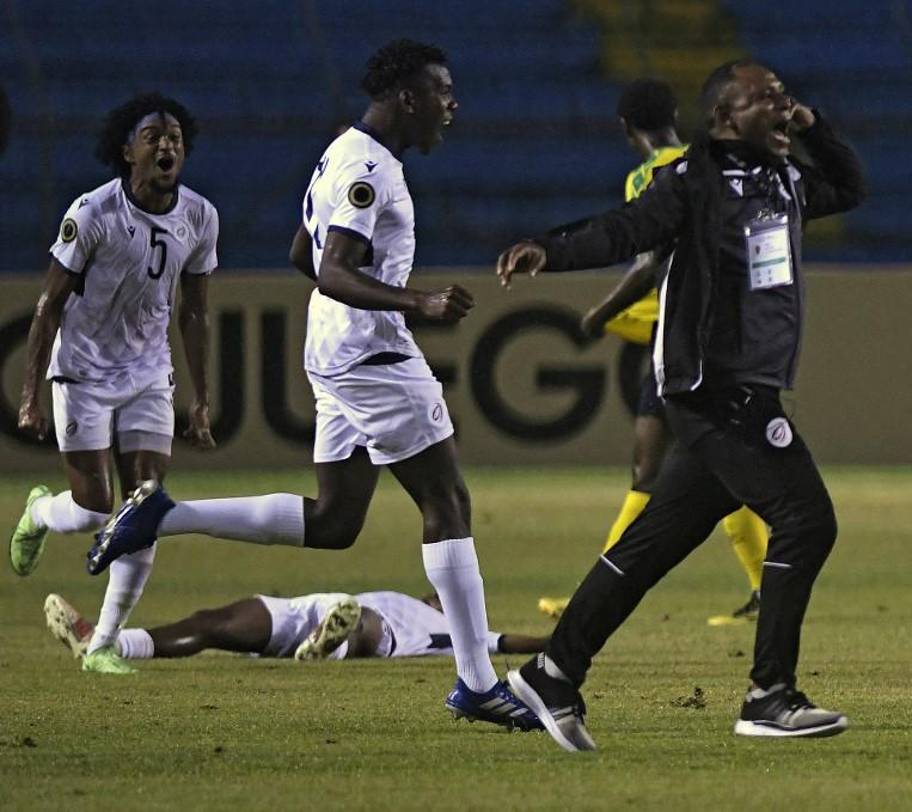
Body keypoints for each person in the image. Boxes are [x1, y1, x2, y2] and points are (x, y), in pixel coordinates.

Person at [86, 39, 538, 732]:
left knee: (335, 522)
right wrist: (417, 303)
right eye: (441, 92)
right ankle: (477, 683)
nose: (452, 106)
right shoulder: (366, 168)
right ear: (407, 96)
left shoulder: (340, 152)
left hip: (334, 348)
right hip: (371, 355)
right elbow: (330, 267)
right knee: (447, 500)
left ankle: (164, 515)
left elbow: (301, 252)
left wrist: (354, 318)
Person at [496, 59, 866, 751]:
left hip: (747, 385)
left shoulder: (782, 179)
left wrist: (815, 124)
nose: (783, 106)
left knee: (650, 546)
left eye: (787, 94)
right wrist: (550, 249)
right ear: (725, 116)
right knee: (806, 520)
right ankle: (769, 696)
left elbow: (849, 186)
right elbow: (625, 230)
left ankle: (552, 673)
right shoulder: (694, 179)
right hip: (713, 387)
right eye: (767, 98)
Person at [537, 77, 769, 627]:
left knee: (679, 469)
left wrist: (599, 315)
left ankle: (765, 585)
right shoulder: (708, 159)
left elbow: (651, 262)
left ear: (625, 129)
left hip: (689, 342)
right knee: (662, 468)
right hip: (702, 337)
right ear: (675, 115)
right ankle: (600, 593)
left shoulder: (649, 175)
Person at [7, 93, 218, 676]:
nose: (166, 144)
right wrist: (29, 395)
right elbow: (49, 306)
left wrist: (200, 399)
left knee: (143, 505)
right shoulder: (93, 213)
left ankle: (101, 642)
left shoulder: (200, 216)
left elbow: (195, 311)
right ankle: (42, 515)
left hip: (149, 372)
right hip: (83, 370)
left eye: (175, 135)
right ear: (127, 151)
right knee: (96, 509)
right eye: (152, 135)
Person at [44, 590, 549, 665]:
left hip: (376, 632)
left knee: (363, 621)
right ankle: (102, 644)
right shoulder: (405, 593)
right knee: (210, 624)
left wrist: (560, 641)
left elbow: (508, 644)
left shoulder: (463, 630)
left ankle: (332, 641)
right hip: (303, 610)